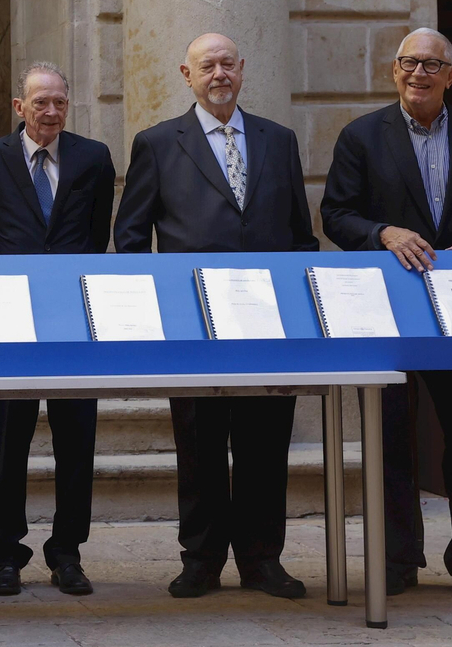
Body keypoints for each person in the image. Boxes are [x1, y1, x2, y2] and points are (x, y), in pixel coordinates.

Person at [321, 27, 452, 603]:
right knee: (389, 440)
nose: (419, 73)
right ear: (394, 71)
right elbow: (336, 213)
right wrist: (382, 232)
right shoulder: (361, 137)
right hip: (390, 308)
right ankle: (397, 560)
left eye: (432, 65)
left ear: (451, 76)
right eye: (409, 62)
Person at [114, 33, 317, 601]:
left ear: (243, 70)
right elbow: (130, 237)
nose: (219, 74)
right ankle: (200, 560)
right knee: (199, 442)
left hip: (269, 322)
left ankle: (262, 560)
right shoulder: (157, 143)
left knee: (265, 442)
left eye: (228, 64)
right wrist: (154, 310)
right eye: (208, 66)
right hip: (192, 321)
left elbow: (302, 234)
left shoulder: (279, 140)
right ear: (187, 74)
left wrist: (298, 308)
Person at [0, 61, 114, 597]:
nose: (50, 111)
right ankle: (6, 553)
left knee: (77, 441)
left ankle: (67, 552)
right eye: (40, 102)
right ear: (19, 107)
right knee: (10, 442)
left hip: (74, 320)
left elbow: (98, 236)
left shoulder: (94, 158)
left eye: (59, 102)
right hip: (9, 322)